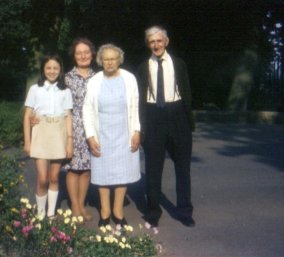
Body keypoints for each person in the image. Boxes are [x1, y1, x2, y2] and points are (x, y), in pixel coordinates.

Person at [137, 26, 195, 228]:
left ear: (166, 42)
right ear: (148, 44)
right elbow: (139, 99)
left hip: (177, 115)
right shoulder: (143, 67)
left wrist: (188, 121)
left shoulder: (179, 64)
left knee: (183, 168)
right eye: (152, 42)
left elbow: (187, 91)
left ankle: (185, 211)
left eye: (159, 41)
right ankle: (153, 212)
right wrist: (141, 125)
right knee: (153, 168)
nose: (156, 45)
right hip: (153, 117)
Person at [83, 44, 141, 227]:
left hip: (124, 132)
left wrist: (136, 131)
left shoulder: (129, 78)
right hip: (102, 133)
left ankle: (118, 210)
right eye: (106, 59)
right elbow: (88, 109)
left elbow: (135, 107)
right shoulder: (94, 81)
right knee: (103, 172)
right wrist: (90, 136)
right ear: (101, 61)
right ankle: (105, 210)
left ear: (119, 60)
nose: (109, 62)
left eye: (113, 59)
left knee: (122, 172)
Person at [23, 54, 73, 219]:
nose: (52, 71)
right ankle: (40, 213)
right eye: (48, 68)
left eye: (55, 68)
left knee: (53, 177)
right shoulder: (35, 89)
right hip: (41, 131)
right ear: (43, 70)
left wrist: (69, 142)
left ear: (60, 70)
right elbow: (27, 116)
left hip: (59, 133)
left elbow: (68, 116)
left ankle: (50, 214)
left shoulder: (65, 90)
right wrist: (28, 141)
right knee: (43, 178)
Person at [63, 38, 96, 221]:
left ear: (92, 54)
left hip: (92, 128)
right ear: (74, 56)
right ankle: (75, 205)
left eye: (86, 52)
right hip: (73, 127)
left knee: (87, 169)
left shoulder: (98, 77)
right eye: (79, 53)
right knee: (73, 168)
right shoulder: (66, 78)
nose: (83, 56)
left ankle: (82, 204)